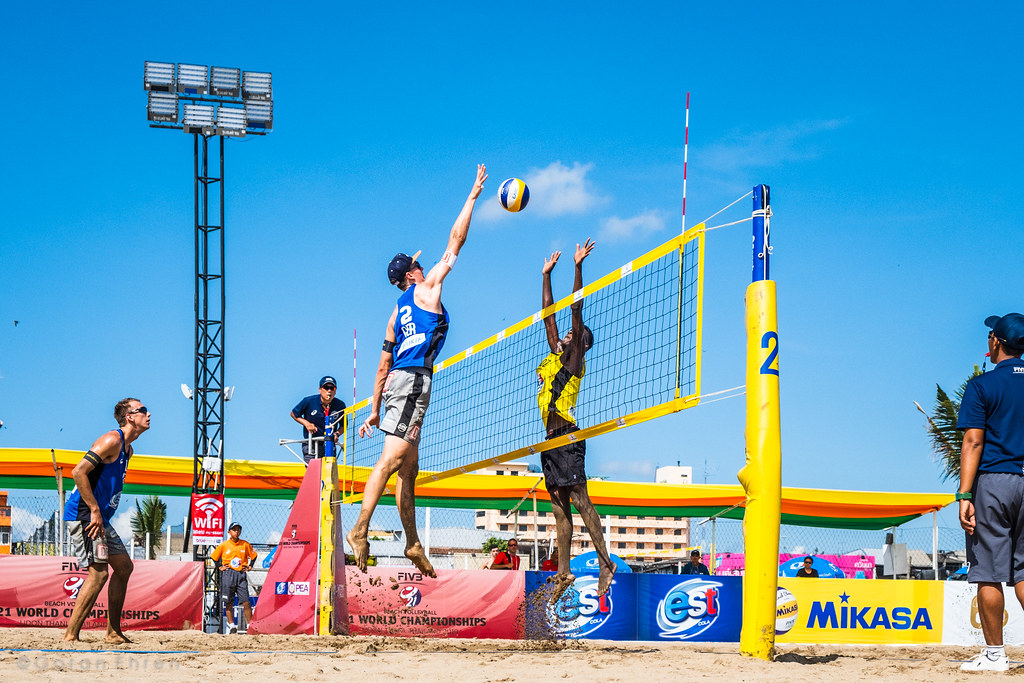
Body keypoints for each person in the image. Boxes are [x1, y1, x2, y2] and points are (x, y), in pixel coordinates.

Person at [347, 164, 488, 577]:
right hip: (413, 383)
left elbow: (381, 364)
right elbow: (455, 242)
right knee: (390, 461)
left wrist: (374, 408)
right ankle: (360, 529)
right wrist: (473, 195)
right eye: (417, 265)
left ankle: (411, 543)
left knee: (409, 471)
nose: (423, 268)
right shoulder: (427, 289)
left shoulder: (395, 312)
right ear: (411, 274)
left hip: (398, 385)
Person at [537, 238, 615, 601]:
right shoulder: (556, 354)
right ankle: (564, 572)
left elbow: (574, 310)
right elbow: (550, 316)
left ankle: (605, 562)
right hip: (549, 442)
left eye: (573, 336)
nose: (566, 335)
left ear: (581, 344)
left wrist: (578, 266)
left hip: (567, 435)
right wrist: (546, 276)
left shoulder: (574, 361)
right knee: (558, 509)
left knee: (582, 502)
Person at [957, 312, 1024, 672]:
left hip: (996, 480)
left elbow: (973, 440)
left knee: (989, 572)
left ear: (995, 342)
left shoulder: (982, 386)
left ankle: (996, 655)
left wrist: (965, 495)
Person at [62, 397, 151, 643]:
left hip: (100, 518)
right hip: (85, 515)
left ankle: (112, 632)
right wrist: (94, 509)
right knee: (99, 573)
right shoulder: (112, 439)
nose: (149, 413)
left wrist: (100, 512)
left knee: (124, 567)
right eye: (142, 410)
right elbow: (78, 471)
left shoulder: (128, 450)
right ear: (130, 417)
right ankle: (70, 635)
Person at [211, 523, 258, 634]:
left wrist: (250, 566)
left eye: (238, 530)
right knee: (229, 601)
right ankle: (231, 626)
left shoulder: (245, 544)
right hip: (228, 574)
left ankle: (249, 626)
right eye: (234, 530)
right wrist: (220, 567)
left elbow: (254, 555)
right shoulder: (224, 545)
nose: (236, 532)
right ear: (229, 532)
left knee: (246, 601)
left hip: (241, 574)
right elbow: (214, 556)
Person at [291, 376, 346, 464]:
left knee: (329, 472)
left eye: (332, 388)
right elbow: (293, 414)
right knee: (313, 470)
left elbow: (344, 425)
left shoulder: (340, 405)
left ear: (335, 391)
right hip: (311, 442)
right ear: (320, 389)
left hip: (329, 444)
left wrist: (337, 434)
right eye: (326, 388)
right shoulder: (309, 401)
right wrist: (306, 423)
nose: (329, 390)